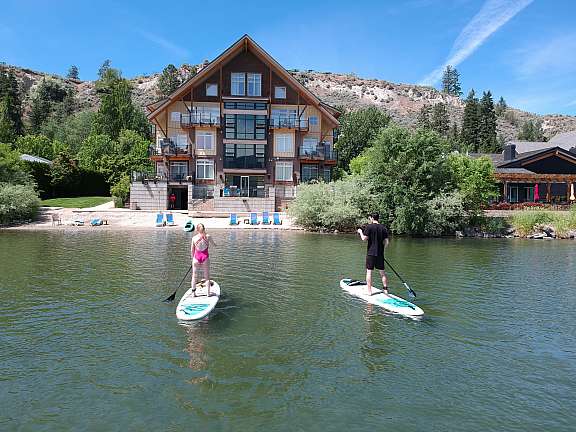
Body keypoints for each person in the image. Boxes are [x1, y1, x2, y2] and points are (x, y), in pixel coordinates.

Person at [357, 213, 389, 295]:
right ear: (378, 218)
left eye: (369, 218)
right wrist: (381, 250)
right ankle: (385, 290)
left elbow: (364, 239)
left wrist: (360, 232)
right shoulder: (384, 228)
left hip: (371, 253)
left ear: (371, 218)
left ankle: (369, 292)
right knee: (382, 272)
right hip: (380, 254)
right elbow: (386, 242)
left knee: (369, 272)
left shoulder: (369, 227)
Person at [190, 223, 216, 296]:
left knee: (194, 276)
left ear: (197, 230)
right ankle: (208, 294)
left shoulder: (194, 238)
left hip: (196, 258)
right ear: (204, 229)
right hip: (205, 257)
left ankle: (193, 293)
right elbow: (214, 245)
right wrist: (216, 245)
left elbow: (192, 250)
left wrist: (192, 259)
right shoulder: (208, 236)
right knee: (207, 277)